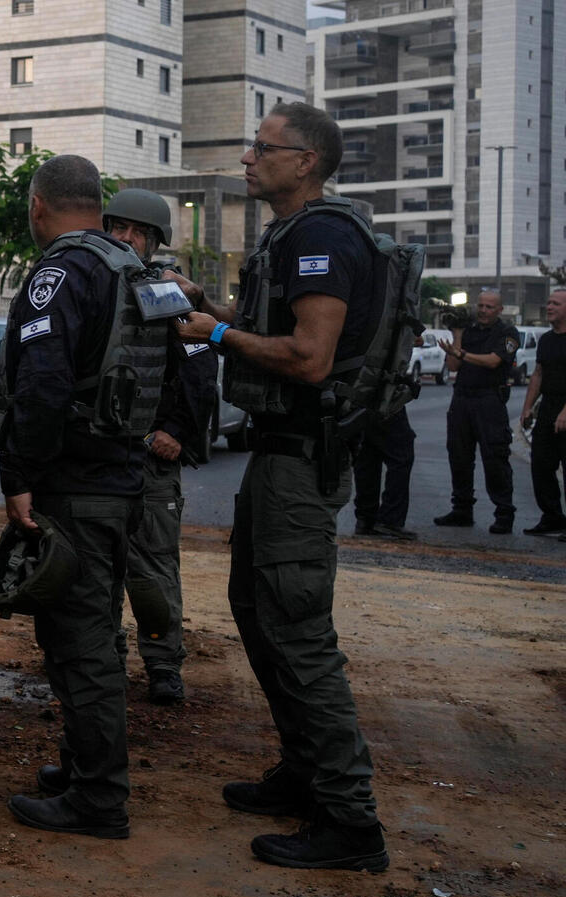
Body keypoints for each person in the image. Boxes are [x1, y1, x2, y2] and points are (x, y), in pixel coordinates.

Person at [170, 101, 389, 872]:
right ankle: (304, 771)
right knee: (257, 612)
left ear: (308, 162)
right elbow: (271, 323)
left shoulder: (324, 236)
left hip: (301, 460)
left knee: (297, 627)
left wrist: (220, 336)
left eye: (264, 148)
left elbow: (310, 356)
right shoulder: (291, 237)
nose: (248, 157)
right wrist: (208, 308)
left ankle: (350, 821)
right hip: (279, 457)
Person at [0, 157, 168, 841]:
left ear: (39, 206)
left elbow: (42, 384)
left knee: (82, 639)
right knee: (83, 630)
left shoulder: (60, 271)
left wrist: (18, 474)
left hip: (76, 482)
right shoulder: (134, 268)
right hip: (121, 476)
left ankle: (99, 797)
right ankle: (80, 769)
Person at [101, 187, 216, 706]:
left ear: (154, 241)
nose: (125, 239)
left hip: (150, 454)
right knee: (92, 570)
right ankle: (101, 659)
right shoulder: (91, 278)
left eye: (137, 232)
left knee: (153, 572)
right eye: (117, 228)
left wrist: (177, 430)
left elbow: (199, 366)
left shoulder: (168, 292)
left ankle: (163, 663)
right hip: (98, 454)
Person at [434, 290, 521, 534]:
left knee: (495, 458)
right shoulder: (469, 330)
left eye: (489, 307)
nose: (483, 311)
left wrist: (461, 353)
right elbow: (453, 366)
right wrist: (458, 335)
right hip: (462, 398)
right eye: (481, 306)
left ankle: (504, 514)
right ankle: (462, 510)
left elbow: (494, 361)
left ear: (500, 310)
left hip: (489, 400)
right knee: (459, 456)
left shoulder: (507, 333)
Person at [351, 325, 422, 542]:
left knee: (368, 455)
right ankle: (389, 520)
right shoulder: (391, 301)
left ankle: (366, 518)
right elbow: (410, 338)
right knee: (401, 454)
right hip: (383, 390)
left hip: (358, 388)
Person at [518, 288, 566, 537]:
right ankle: (552, 517)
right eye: (548, 302)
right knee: (541, 463)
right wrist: (527, 407)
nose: (549, 307)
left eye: (555, 304)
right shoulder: (546, 339)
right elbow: (538, 374)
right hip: (548, 407)